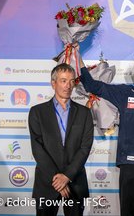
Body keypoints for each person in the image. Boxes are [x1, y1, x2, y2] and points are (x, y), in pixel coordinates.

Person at [79, 46, 134, 216]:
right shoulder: (125, 92)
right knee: (128, 211)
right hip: (130, 163)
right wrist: (79, 61)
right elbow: (92, 86)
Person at [28, 63, 94, 216]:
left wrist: (67, 176)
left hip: (75, 183)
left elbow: (85, 148)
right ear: (53, 83)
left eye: (72, 81)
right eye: (63, 80)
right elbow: (38, 149)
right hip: (47, 183)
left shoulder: (84, 113)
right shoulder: (37, 112)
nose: (68, 86)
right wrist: (58, 180)